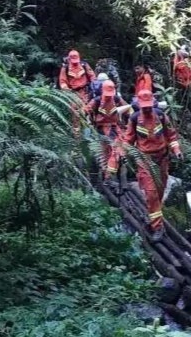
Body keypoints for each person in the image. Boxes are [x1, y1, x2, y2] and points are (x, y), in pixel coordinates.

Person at [111, 90, 183, 241]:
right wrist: (122, 153)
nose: (147, 109)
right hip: (144, 160)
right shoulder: (135, 118)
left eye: (149, 106)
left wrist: (176, 150)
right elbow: (128, 139)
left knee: (159, 191)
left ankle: (155, 216)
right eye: (144, 107)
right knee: (151, 194)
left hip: (162, 159)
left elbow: (171, 135)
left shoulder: (162, 116)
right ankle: (158, 227)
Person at [87, 80, 132, 179]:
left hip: (114, 128)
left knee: (116, 150)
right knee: (104, 153)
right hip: (100, 129)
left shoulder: (116, 99)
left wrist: (129, 123)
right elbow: (85, 111)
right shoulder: (97, 101)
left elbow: (128, 110)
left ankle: (110, 176)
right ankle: (105, 176)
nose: (108, 96)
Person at [59, 50, 96, 137]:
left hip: (86, 92)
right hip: (73, 94)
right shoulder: (65, 68)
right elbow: (62, 81)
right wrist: (66, 90)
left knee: (89, 113)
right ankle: (78, 138)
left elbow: (92, 76)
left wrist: (94, 86)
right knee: (76, 116)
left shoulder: (84, 65)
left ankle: (90, 136)